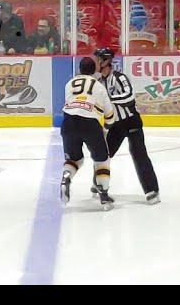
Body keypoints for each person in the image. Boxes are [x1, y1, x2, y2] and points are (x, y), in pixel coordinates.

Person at [93, 48, 161, 205]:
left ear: (106, 61)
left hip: (131, 121)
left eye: (97, 59)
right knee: (104, 154)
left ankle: (151, 190)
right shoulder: (99, 82)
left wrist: (108, 98)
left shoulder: (119, 78)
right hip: (116, 124)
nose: (95, 62)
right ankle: (99, 183)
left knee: (139, 154)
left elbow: (129, 96)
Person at [60, 56, 116, 211]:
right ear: (94, 71)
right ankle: (104, 195)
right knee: (102, 160)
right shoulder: (99, 86)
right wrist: (108, 125)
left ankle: (66, 177)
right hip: (90, 124)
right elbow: (109, 115)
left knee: (75, 159)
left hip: (69, 122)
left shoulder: (69, 84)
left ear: (79, 69)